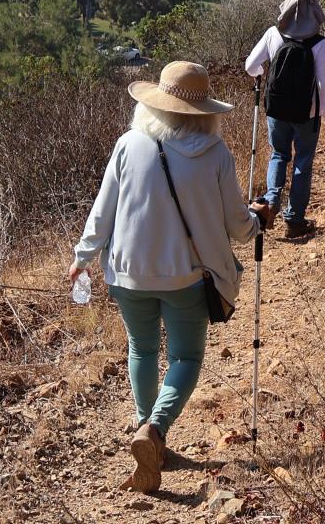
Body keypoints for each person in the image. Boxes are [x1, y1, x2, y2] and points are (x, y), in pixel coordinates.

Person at [70, 61, 273, 493]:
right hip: (185, 277)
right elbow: (238, 226)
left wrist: (82, 256)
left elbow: (103, 210)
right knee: (185, 359)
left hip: (127, 273)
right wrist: (258, 220)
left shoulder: (129, 144)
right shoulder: (215, 154)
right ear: (205, 112)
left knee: (142, 348)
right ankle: (155, 431)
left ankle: (146, 431)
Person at [243, 0, 325, 241]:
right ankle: (294, 221)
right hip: (307, 114)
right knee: (303, 162)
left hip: (276, 109)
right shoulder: (318, 43)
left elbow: (251, 66)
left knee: (279, 154)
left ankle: (271, 202)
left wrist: (262, 73)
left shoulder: (273, 34)